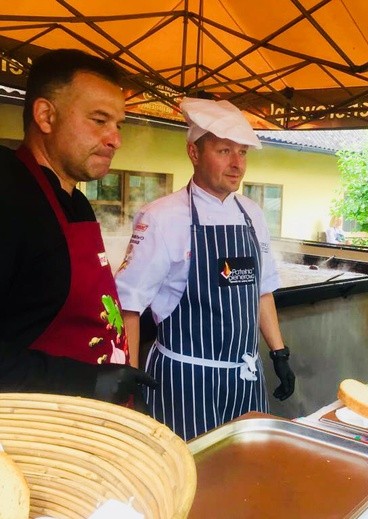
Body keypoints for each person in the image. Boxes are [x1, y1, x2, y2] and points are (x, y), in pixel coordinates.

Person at [115, 97, 296, 441]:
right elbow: (129, 305)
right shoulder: (162, 217)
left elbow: (262, 290)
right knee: (189, 479)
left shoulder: (252, 214)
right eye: (224, 151)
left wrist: (278, 353)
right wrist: (130, 379)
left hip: (244, 380)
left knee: (243, 469)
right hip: (184, 383)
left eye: (242, 152)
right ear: (194, 153)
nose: (237, 164)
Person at [0, 49, 156, 403]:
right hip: (33, 435)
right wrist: (83, 381)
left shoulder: (78, 203)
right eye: (99, 120)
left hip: (90, 425)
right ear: (46, 115)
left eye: (118, 125)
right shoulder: (8, 190)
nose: (115, 139)